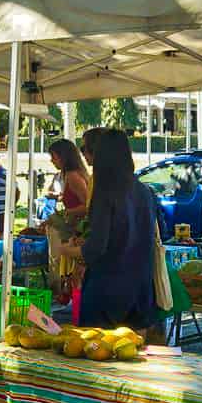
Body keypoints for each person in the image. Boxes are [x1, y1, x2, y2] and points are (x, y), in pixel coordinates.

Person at [60, 129, 158, 330]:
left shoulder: (105, 193)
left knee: (97, 357)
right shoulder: (145, 191)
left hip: (107, 291)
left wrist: (66, 250)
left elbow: (96, 248)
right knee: (132, 354)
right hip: (141, 290)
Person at [47, 138, 90, 217]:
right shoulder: (68, 174)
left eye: (53, 157)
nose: (51, 160)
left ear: (63, 157)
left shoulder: (73, 176)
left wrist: (65, 213)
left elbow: (88, 206)